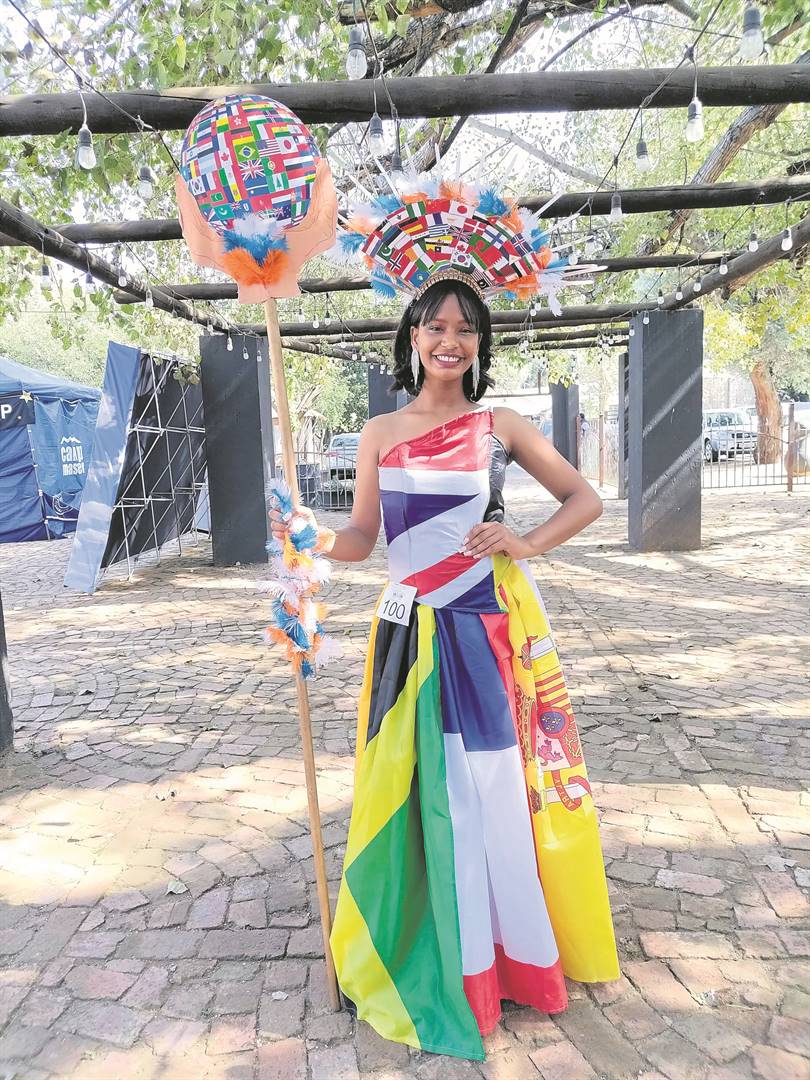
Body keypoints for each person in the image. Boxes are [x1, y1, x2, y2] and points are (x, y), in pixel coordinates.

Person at [270, 187, 620, 1061]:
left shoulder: (499, 425)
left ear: (480, 342)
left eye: (465, 328)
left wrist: (524, 540)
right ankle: (423, 938)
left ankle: (500, 960)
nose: (450, 341)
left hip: (478, 632)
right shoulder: (379, 431)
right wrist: (311, 536)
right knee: (410, 789)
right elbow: (364, 537)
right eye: (435, 326)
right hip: (404, 636)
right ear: (413, 335)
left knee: (487, 790)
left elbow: (584, 499)